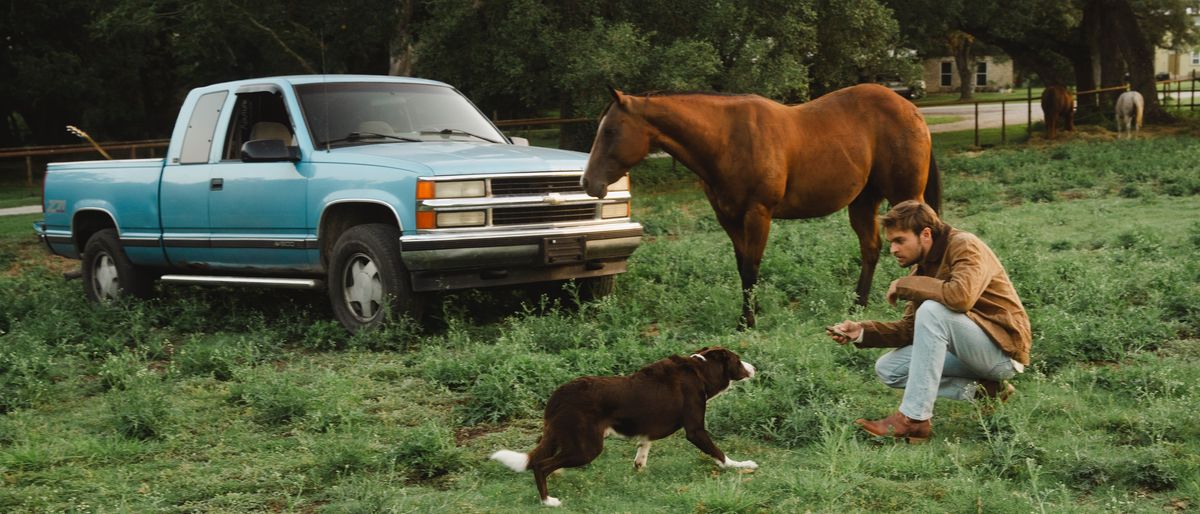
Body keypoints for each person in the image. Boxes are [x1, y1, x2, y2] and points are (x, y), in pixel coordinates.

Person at [827, 200, 1031, 443]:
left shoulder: (965, 245)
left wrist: (905, 285)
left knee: (933, 311)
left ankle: (913, 419)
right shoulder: (922, 269)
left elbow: (961, 297)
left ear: (925, 234)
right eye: (891, 242)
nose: (892, 249)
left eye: (899, 240)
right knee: (889, 369)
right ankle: (986, 392)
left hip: (1001, 352)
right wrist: (861, 331)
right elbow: (909, 330)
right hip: (969, 352)